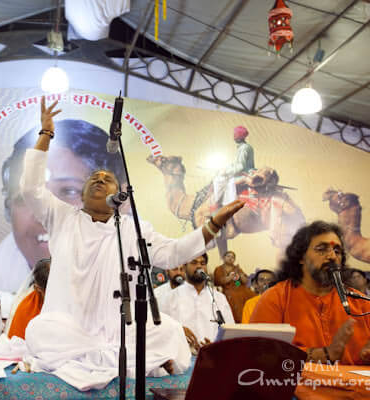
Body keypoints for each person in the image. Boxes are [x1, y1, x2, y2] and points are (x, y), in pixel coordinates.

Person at [19, 96, 244, 390]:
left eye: (106, 178)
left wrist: (213, 224)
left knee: (170, 332)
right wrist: (45, 135)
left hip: (121, 332)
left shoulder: (134, 229)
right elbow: (30, 188)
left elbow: (175, 251)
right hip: (72, 331)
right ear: (83, 192)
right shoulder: (62, 217)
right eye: (94, 178)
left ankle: (107, 359)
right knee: (39, 330)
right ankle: (123, 362)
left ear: (120, 195)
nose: (99, 179)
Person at [0, 116, 128, 312]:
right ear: (8, 208)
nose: (43, 214)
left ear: (119, 201)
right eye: (25, 198)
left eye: (69, 191)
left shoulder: (136, 278)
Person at [250, 221, 370, 365]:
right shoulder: (276, 298)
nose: (333, 256)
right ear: (301, 257)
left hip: (359, 386)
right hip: (300, 386)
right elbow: (258, 354)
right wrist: (325, 354)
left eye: (337, 251)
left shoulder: (360, 303)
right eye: (322, 249)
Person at [159, 254, 234, 353]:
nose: (199, 266)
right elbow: (160, 329)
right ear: (185, 267)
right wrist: (178, 329)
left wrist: (215, 346)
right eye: (194, 262)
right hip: (182, 360)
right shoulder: (171, 297)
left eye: (202, 263)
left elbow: (230, 330)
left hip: (213, 357)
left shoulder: (219, 298)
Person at [7, 258, 50, 340]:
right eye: (49, 291)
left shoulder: (73, 302)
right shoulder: (26, 309)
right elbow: (16, 344)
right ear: (37, 288)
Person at [213, 126, 255, 207]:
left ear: (240, 136)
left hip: (244, 174)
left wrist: (226, 172)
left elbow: (241, 166)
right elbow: (237, 164)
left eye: (235, 135)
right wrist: (226, 168)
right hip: (243, 172)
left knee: (219, 180)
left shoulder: (244, 148)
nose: (234, 137)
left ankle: (222, 204)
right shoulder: (243, 147)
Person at [213, 250, 255, 322]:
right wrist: (230, 277)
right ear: (224, 258)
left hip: (238, 286)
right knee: (235, 296)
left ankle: (249, 319)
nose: (230, 258)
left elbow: (243, 282)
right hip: (228, 289)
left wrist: (240, 275)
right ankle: (238, 320)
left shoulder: (237, 268)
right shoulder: (219, 269)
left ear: (234, 260)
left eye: (232, 257)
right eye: (228, 256)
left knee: (252, 295)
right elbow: (218, 282)